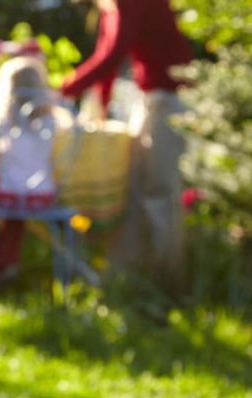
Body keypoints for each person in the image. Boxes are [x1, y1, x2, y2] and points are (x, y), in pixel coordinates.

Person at [60, 0, 193, 291]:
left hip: (169, 99)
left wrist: (63, 88)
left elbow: (113, 54)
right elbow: (107, 60)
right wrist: (99, 108)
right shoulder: (111, 7)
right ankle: (129, 274)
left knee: (159, 191)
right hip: (146, 99)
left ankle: (168, 283)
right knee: (131, 185)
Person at [0, 56, 71, 278]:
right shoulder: (52, 119)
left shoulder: (0, 119)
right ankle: (8, 261)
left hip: (8, 194)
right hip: (43, 195)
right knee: (14, 216)